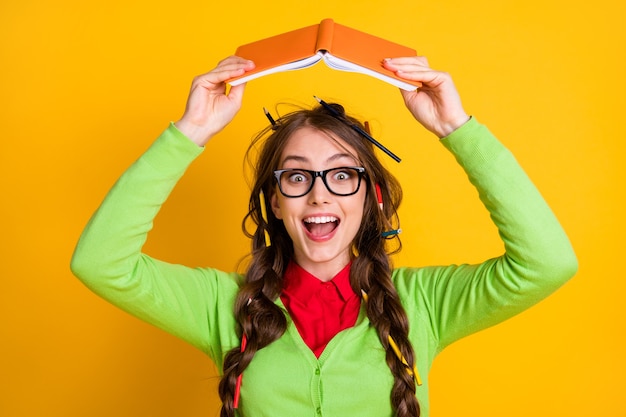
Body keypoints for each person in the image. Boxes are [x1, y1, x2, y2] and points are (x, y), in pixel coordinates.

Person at [70, 55, 578, 417]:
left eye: (341, 175)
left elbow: (546, 262)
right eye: (297, 176)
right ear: (275, 200)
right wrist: (190, 132)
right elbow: (100, 261)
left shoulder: (422, 305)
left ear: (370, 196)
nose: (319, 196)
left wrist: (455, 128)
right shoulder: (225, 306)